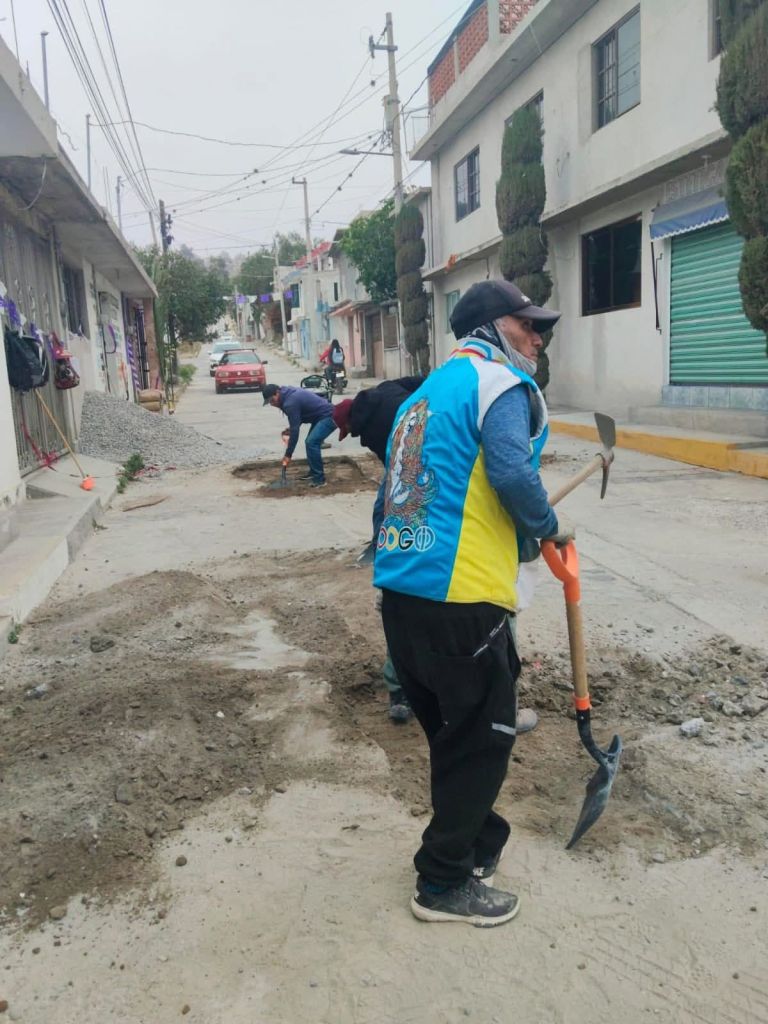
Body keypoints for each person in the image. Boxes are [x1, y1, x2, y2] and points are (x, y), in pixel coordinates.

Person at [373, 280, 573, 927]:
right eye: (528, 325)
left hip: (402, 594)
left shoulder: (424, 396)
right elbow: (513, 473)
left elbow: (388, 499)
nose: (538, 338)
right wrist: (547, 527)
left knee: (456, 737)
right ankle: (441, 882)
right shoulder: (498, 384)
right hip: (460, 599)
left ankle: (478, 841)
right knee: (484, 739)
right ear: (492, 328)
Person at [333, 378, 423, 723]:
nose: (351, 435)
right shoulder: (384, 388)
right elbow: (420, 381)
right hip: (421, 459)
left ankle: (401, 690)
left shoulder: (371, 432)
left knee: (403, 604)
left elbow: (395, 468)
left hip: (413, 474)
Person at [262, 383, 336, 487]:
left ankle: (319, 480)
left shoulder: (290, 403)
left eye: (272, 400)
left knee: (311, 443)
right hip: (319, 417)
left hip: (329, 415)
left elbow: (295, 432)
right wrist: (291, 428)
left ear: (277, 393)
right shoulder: (287, 394)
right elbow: (297, 418)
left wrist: (288, 455)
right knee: (310, 443)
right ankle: (314, 472)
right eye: (269, 402)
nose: (272, 404)